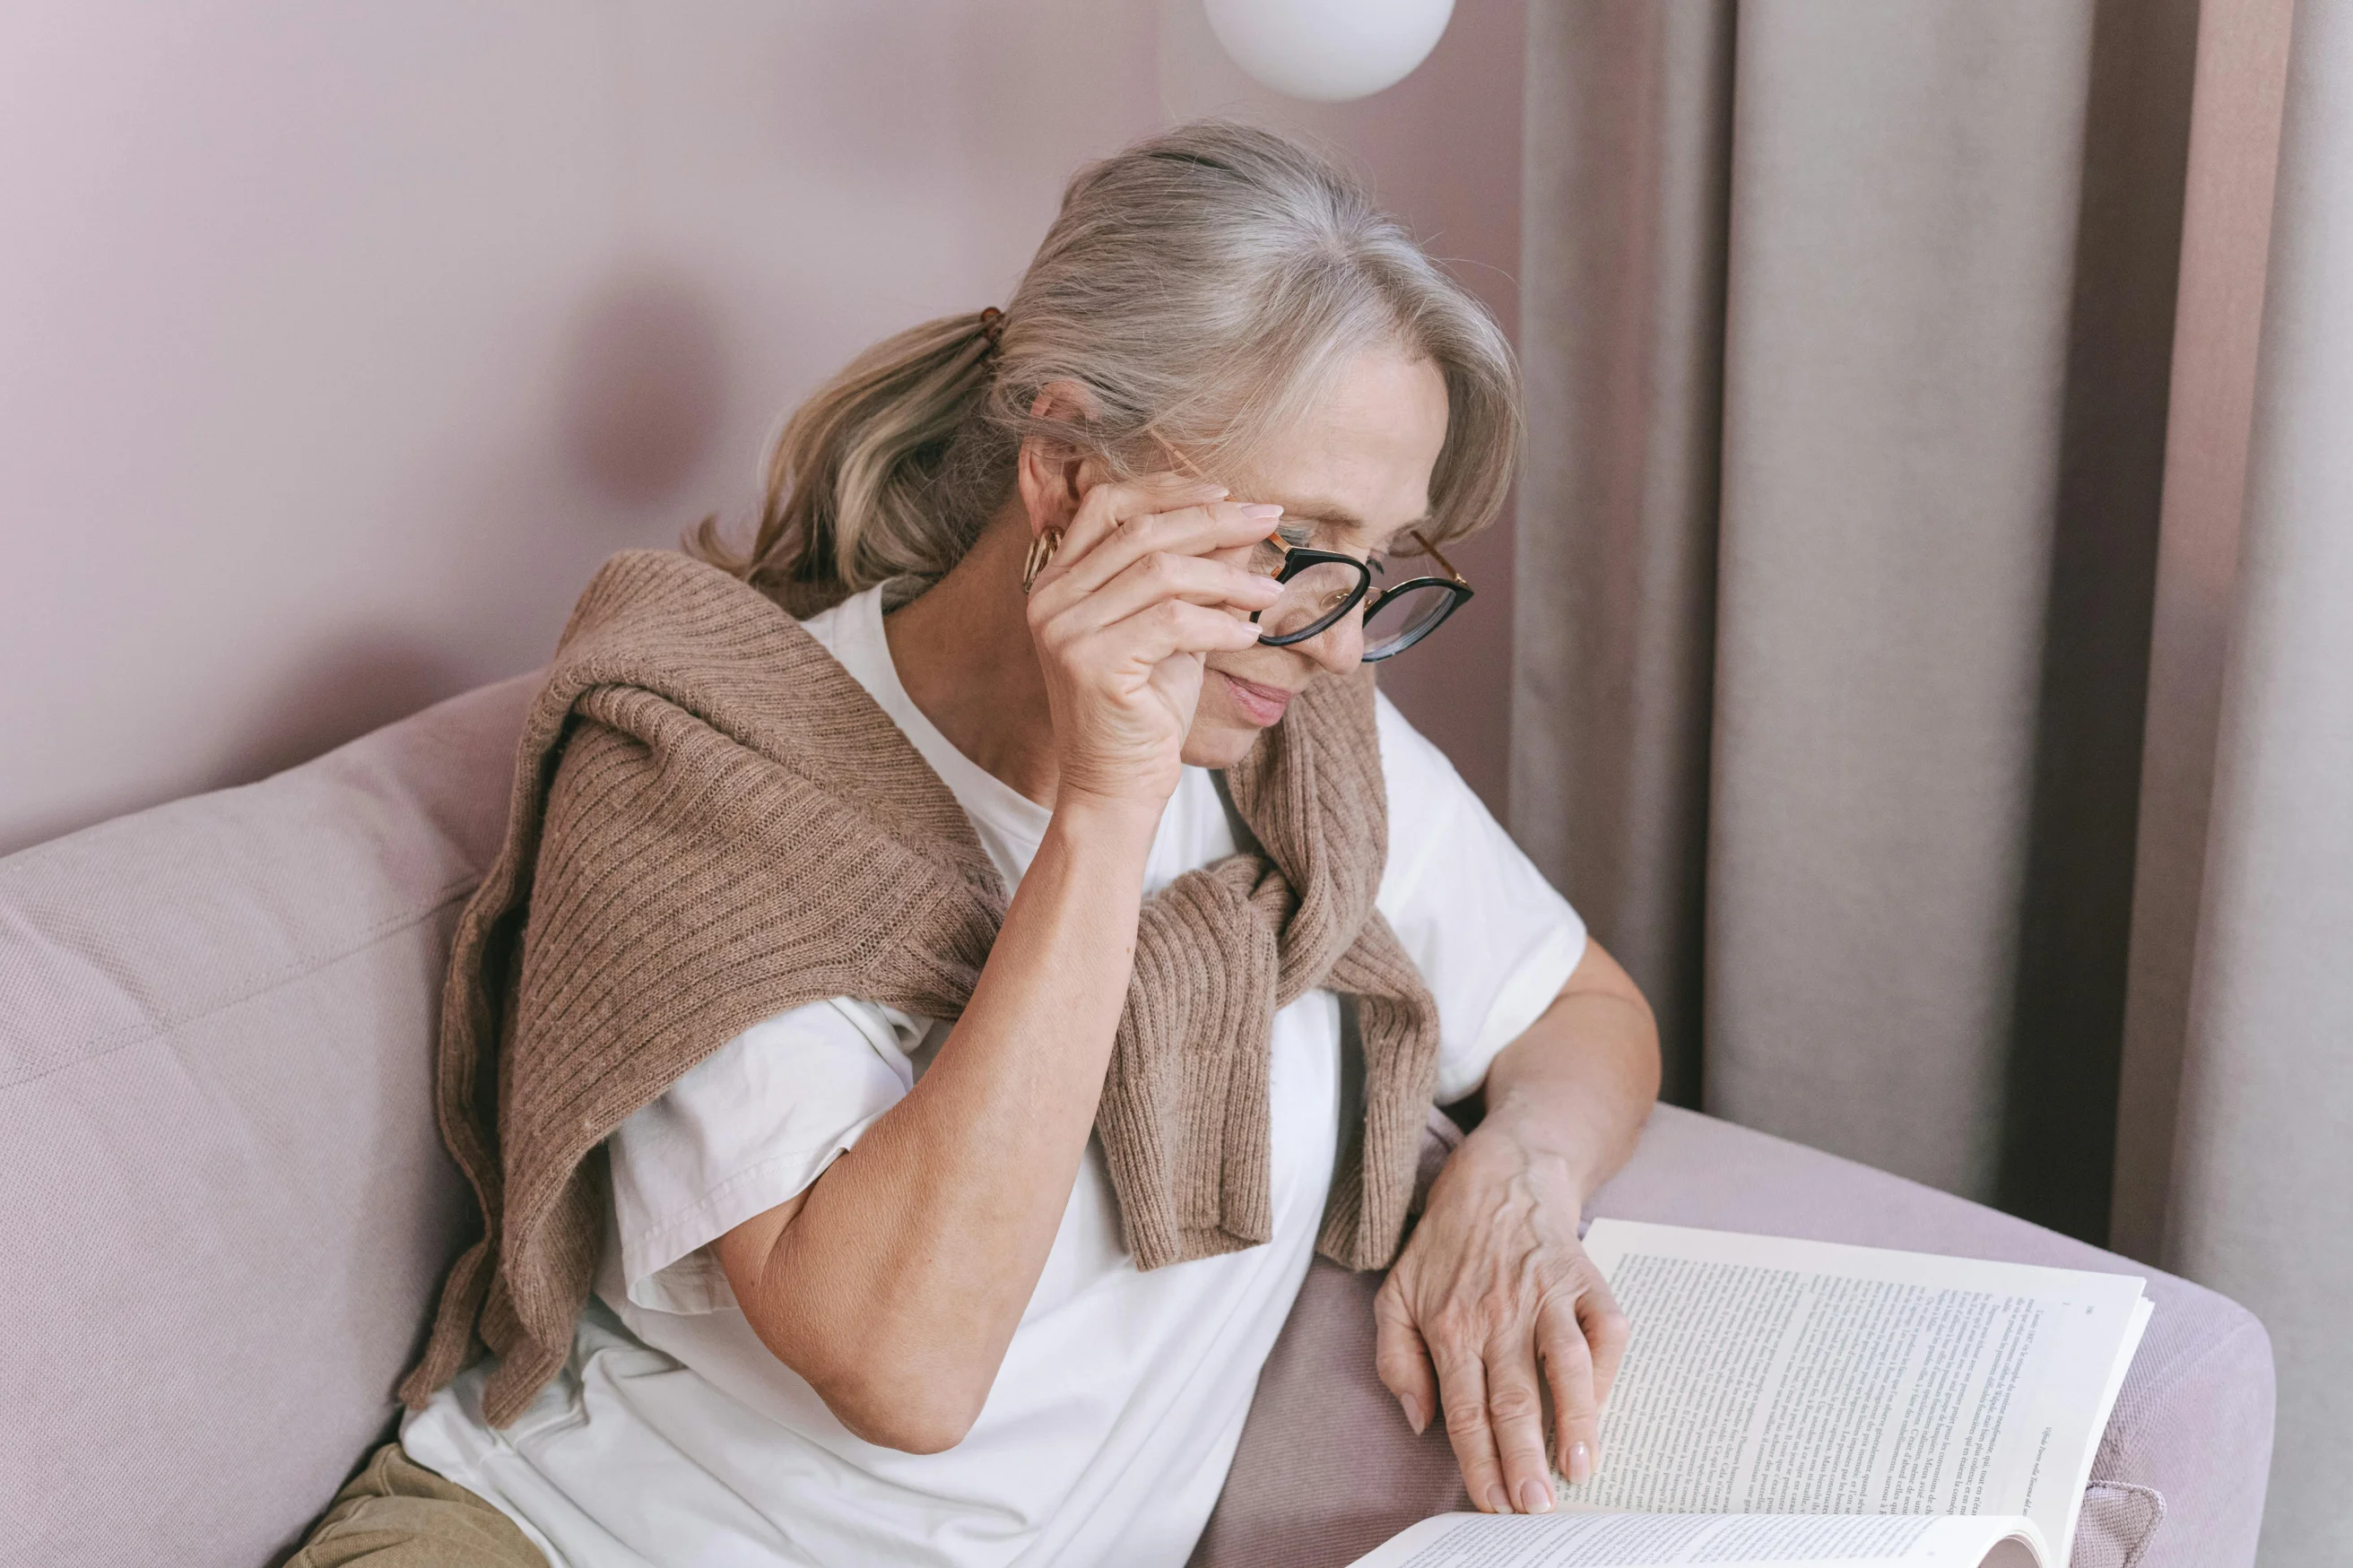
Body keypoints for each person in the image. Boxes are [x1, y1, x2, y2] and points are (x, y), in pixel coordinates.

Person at [291, 120, 1661, 1568]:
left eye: (1380, 562)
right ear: (1067, 478)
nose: (1337, 641)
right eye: (1294, 547)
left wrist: (1524, 1173)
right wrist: (1105, 806)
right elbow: (906, 1368)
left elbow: (1586, 1012)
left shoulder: (1305, 753)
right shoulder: (710, 771)